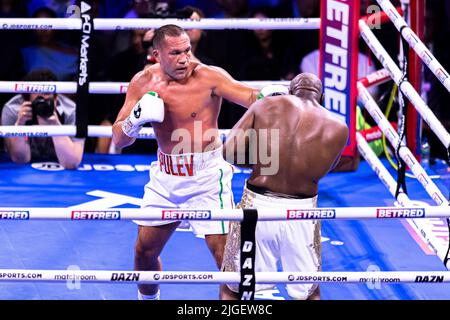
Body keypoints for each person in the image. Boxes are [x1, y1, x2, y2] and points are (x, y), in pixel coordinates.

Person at [111, 24, 260, 300]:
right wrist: (134, 121)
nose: (185, 59)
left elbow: (250, 96)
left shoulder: (209, 77)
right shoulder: (142, 82)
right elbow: (119, 140)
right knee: (144, 252)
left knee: (226, 260)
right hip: (165, 177)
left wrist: (274, 95)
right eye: (175, 53)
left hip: (206, 177)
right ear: (157, 54)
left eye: (187, 50)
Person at [220, 73, 349, 300]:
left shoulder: (267, 104)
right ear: (322, 96)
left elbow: (229, 151)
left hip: (257, 207)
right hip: (302, 212)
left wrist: (264, 161)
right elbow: (325, 168)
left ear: (290, 91)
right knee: (308, 293)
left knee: (233, 287)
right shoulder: (339, 126)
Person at [1, 69, 85, 169]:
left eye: (47, 94)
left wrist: (55, 126)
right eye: (38, 98)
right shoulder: (12, 110)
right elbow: (20, 159)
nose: (42, 103)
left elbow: (71, 163)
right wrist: (20, 124)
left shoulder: (70, 111)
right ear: (27, 99)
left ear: (55, 98)